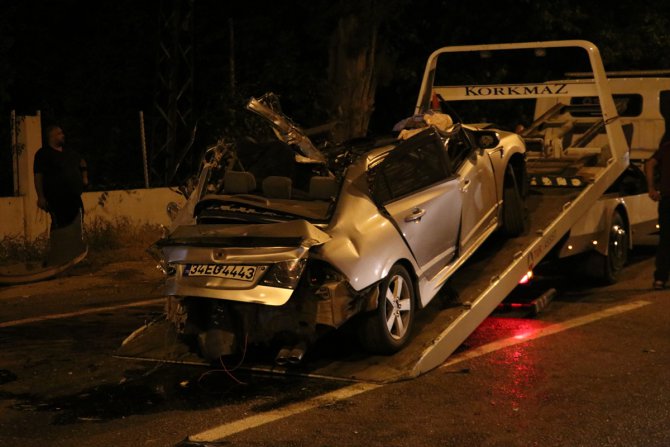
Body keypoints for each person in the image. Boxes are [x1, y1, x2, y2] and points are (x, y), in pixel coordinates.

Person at [33, 125, 88, 265]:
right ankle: (57, 257)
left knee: (77, 222)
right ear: (51, 137)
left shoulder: (70, 153)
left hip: (74, 197)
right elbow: (38, 176)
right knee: (59, 225)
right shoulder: (43, 154)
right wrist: (41, 196)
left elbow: (82, 162)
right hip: (55, 198)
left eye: (62, 133)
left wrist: (84, 178)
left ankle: (76, 255)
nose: (63, 135)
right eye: (59, 133)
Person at [645, 138, 670, 289]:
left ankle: (660, 278)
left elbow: (649, 164)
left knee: (666, 238)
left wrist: (651, 188)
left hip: (667, 199)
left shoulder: (666, 148)